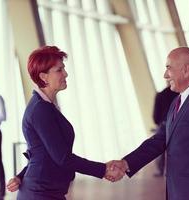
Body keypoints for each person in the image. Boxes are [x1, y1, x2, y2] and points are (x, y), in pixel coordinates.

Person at [6, 46, 124, 200]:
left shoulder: (44, 105)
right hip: (40, 193)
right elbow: (62, 157)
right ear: (44, 76)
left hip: (46, 190)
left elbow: (40, 152)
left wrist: (21, 176)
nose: (65, 74)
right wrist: (102, 169)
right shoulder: (41, 109)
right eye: (59, 70)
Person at [111, 47, 189, 200]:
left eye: (168, 68)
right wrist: (126, 163)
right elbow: (159, 140)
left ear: (185, 70)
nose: (165, 75)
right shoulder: (177, 101)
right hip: (180, 193)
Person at [152, 85, 178, 176]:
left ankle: (160, 170)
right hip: (177, 123)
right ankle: (172, 170)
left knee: (159, 147)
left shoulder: (161, 95)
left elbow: (156, 113)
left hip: (163, 122)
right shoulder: (180, 95)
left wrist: (158, 122)